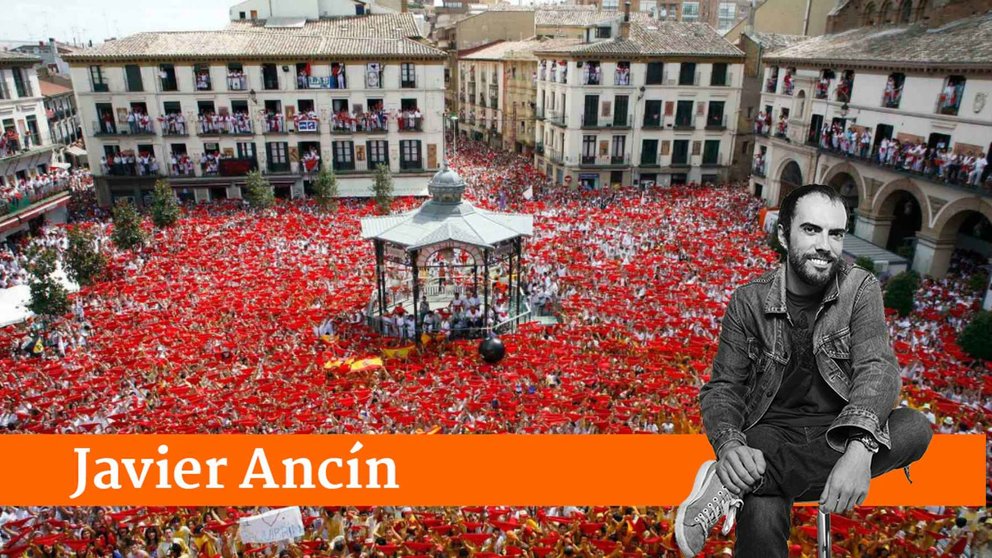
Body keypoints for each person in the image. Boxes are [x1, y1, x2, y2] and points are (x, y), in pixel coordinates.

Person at [674, 184, 933, 558]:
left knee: (915, 428)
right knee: (761, 499)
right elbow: (724, 388)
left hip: (843, 430)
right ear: (783, 234)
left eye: (836, 233)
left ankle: (734, 485)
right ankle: (751, 477)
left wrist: (859, 451)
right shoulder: (748, 300)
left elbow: (877, 368)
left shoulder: (860, 288)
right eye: (811, 229)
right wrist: (730, 445)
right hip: (772, 434)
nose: (825, 245)